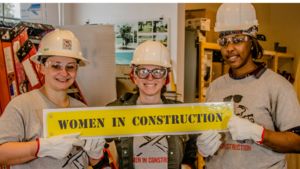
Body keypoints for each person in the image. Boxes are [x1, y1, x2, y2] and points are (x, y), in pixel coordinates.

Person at [196, 3, 300, 169]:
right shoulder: (214, 87)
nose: (229, 48)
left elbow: (297, 142)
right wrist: (203, 148)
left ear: (252, 41)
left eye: (238, 40)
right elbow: (208, 134)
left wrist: (258, 133)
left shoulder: (278, 86)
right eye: (224, 41)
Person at [0, 29, 105, 168]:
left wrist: (96, 155)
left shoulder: (82, 109)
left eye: (70, 67)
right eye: (56, 65)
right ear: (41, 67)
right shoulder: (21, 106)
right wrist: (39, 147)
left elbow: (91, 161)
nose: (64, 73)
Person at [105, 40, 197, 169]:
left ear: (166, 77)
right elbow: (101, 153)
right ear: (134, 76)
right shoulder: (115, 111)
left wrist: (188, 164)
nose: (150, 78)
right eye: (143, 71)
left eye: (157, 71)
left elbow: (190, 154)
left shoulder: (181, 112)